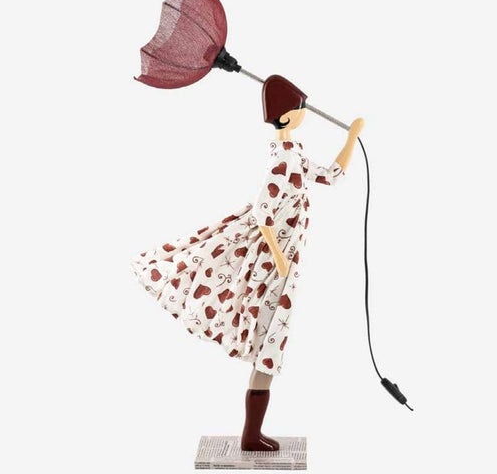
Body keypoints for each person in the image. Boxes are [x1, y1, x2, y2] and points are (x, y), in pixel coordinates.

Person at [131, 74, 363, 451]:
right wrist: (280, 262)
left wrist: (351, 138)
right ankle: (251, 435)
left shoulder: (294, 153)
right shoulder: (283, 160)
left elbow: (329, 176)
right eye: (299, 108)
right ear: (285, 116)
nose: (304, 112)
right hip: (274, 267)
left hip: (285, 262)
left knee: (270, 344)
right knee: (270, 344)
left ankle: (252, 432)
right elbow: (263, 215)